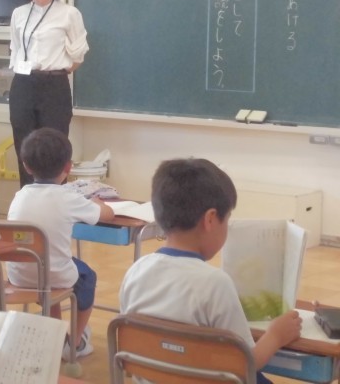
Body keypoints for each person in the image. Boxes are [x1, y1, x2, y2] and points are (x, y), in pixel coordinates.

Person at [119, 158, 302, 383]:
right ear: (211, 219)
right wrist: (275, 335)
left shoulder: (135, 272)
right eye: (227, 219)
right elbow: (245, 363)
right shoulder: (215, 283)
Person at [6, 127, 114, 358]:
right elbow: (107, 215)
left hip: (19, 275)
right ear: (69, 167)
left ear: (26, 165)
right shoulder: (68, 198)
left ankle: (53, 332)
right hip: (54, 275)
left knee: (49, 262)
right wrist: (99, 204)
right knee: (87, 277)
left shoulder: (19, 196)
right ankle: (76, 341)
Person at [8, 0, 89, 187]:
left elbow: (78, 55)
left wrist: (56, 71)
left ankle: (56, 199)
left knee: (55, 147)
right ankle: (28, 198)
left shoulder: (69, 14)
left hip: (54, 86)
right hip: (23, 84)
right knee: (24, 146)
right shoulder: (19, 13)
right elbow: (15, 48)